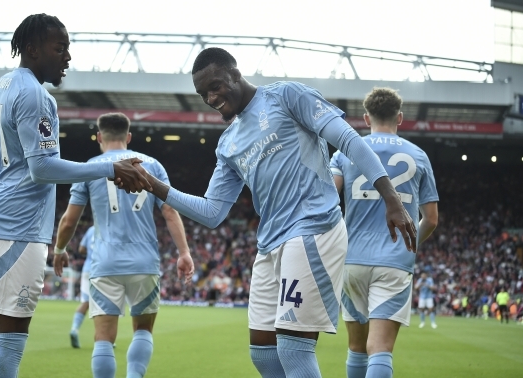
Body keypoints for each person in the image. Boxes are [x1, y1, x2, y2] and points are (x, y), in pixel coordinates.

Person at [120, 47, 417, 378]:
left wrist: (390, 196)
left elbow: (347, 139)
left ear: (235, 73)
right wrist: (154, 185)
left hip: (312, 228)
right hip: (270, 244)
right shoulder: (228, 142)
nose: (210, 97)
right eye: (203, 93)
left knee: (293, 348)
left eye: (215, 86)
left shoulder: (287, 96)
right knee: (263, 353)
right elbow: (213, 212)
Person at [0, 14, 150, 378]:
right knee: (10, 340)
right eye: (60, 48)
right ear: (33, 49)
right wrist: (109, 168)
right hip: (17, 228)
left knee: (6, 336)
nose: (67, 57)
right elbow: (43, 169)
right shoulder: (37, 96)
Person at [53, 112, 194, 378]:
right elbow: (170, 212)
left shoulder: (89, 167)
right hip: (144, 262)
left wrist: (59, 251)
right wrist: (184, 252)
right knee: (142, 331)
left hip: (105, 263)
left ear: (99, 137)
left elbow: (69, 220)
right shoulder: (153, 165)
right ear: (128, 137)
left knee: (103, 337)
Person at [329, 87, 439, 378]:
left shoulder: (345, 152)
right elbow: (431, 218)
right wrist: (410, 244)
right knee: (380, 348)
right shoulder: (418, 155)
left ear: (366, 118)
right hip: (395, 260)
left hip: (352, 260)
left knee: (356, 347)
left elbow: (325, 199)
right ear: (400, 118)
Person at [68, 225, 95, 348]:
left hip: (87, 269)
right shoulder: (110, 226)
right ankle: (106, 338)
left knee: (85, 302)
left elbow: (81, 249)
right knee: (104, 304)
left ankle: (74, 328)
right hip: (104, 270)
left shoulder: (90, 229)